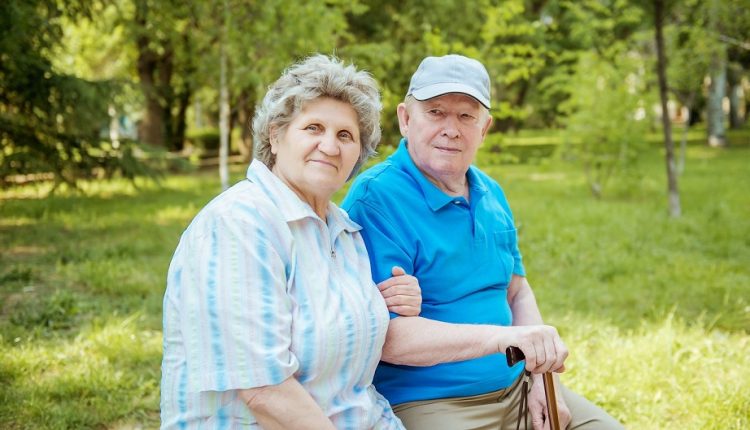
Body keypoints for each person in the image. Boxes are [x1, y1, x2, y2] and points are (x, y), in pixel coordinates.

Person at [342, 54, 624, 430]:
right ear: (406, 119)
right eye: (436, 112)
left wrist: (544, 378)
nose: (451, 129)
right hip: (430, 402)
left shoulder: (491, 193)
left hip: (519, 388)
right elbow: (391, 338)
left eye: (466, 116)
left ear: (484, 128)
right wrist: (508, 339)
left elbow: (518, 293)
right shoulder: (377, 199)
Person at [160, 55, 421, 429]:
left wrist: (387, 300)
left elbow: (356, 389)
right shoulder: (239, 224)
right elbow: (264, 391)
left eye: (345, 135)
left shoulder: (344, 233)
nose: (329, 146)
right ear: (275, 136)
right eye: (313, 127)